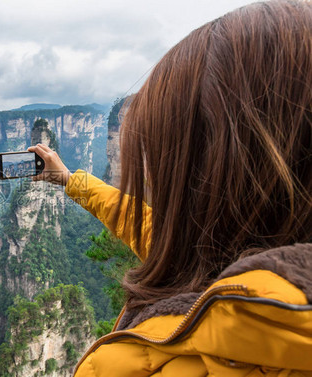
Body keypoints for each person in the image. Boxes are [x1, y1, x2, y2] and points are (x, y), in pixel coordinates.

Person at [29, 0, 312, 375]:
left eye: (165, 159)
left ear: (218, 176)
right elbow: (163, 235)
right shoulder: (251, 270)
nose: (149, 178)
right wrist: (70, 180)